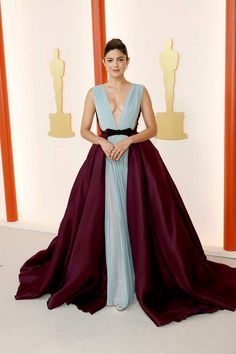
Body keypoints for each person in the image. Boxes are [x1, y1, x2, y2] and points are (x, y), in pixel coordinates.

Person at [15, 38, 236, 327]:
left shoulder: (140, 91)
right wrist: (102, 143)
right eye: (110, 60)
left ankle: (139, 278)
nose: (116, 64)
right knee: (107, 217)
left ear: (128, 61)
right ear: (103, 63)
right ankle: (115, 280)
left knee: (144, 216)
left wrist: (130, 139)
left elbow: (152, 127)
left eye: (120, 59)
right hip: (104, 160)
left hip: (137, 160)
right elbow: (82, 130)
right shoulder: (93, 93)